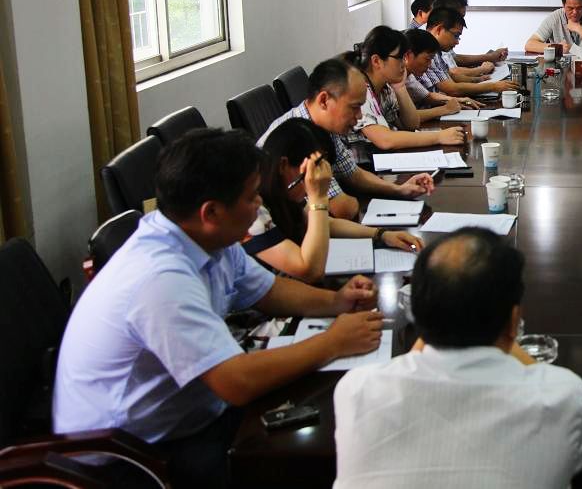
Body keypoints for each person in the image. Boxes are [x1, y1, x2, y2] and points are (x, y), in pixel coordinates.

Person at [52, 129, 385, 488]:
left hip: (187, 411)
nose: (260, 203)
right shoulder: (159, 278)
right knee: (302, 460)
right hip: (129, 454)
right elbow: (236, 382)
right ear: (211, 211)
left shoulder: (208, 238)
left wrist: (336, 302)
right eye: (251, 196)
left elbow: (271, 292)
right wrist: (333, 342)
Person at [334, 228, 582, 488]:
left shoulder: (357, 390)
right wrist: (507, 334)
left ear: (417, 310)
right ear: (514, 320)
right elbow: (577, 457)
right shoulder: (561, 397)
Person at [247, 119, 423, 281]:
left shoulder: (283, 189)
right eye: (308, 176)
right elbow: (309, 269)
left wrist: (382, 235)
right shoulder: (254, 209)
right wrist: (318, 197)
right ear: (283, 165)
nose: (310, 184)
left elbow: (327, 223)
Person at [259, 58, 435, 220]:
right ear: (324, 100)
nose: (359, 116)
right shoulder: (300, 137)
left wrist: (399, 190)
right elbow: (342, 209)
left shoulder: (324, 125)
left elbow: (353, 173)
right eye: (354, 107)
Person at [347, 25, 466, 150]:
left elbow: (411, 124)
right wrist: (439, 136)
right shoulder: (360, 90)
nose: (404, 63)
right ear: (376, 61)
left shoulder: (385, 88)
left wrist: (400, 87)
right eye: (399, 58)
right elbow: (385, 140)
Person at [418, 7, 518, 98]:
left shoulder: (436, 51)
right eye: (456, 36)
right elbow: (452, 89)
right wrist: (493, 86)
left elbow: (450, 76)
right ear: (439, 29)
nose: (457, 42)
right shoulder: (425, 49)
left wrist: (478, 80)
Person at [402, 27, 483, 121]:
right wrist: (445, 109)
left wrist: (457, 100)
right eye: (427, 59)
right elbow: (405, 118)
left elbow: (428, 96)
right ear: (408, 55)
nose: (429, 65)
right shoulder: (394, 78)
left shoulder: (409, 76)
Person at [432, 0, 508, 78]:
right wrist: (484, 66)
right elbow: (452, 72)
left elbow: (454, 59)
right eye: (460, 17)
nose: (462, 21)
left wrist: (490, 57)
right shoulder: (430, 38)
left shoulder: (443, 36)